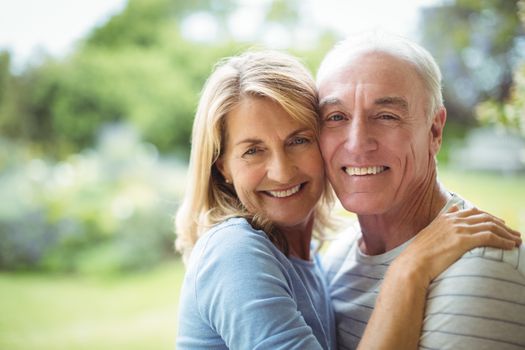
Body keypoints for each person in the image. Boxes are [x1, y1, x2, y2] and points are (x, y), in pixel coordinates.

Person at [174, 50, 521, 350]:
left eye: (299, 140)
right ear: (223, 168)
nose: (281, 172)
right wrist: (408, 271)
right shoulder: (234, 252)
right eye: (253, 151)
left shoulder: (313, 261)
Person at [317, 31, 525, 349]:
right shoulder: (340, 254)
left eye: (386, 116)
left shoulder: (482, 269)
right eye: (336, 117)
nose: (357, 144)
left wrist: (406, 273)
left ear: (434, 130)